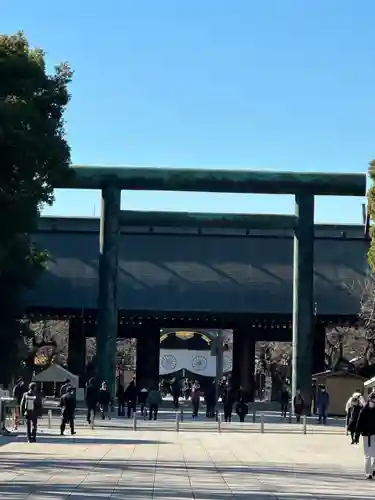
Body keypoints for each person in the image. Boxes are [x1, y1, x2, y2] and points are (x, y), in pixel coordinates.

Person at [354, 392, 375, 479]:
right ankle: (368, 473)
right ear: (369, 400)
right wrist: (357, 436)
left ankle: (373, 470)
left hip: (374, 434)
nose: (374, 402)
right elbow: (358, 424)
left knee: (374, 454)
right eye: (373, 400)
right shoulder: (364, 411)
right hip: (366, 435)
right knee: (368, 455)